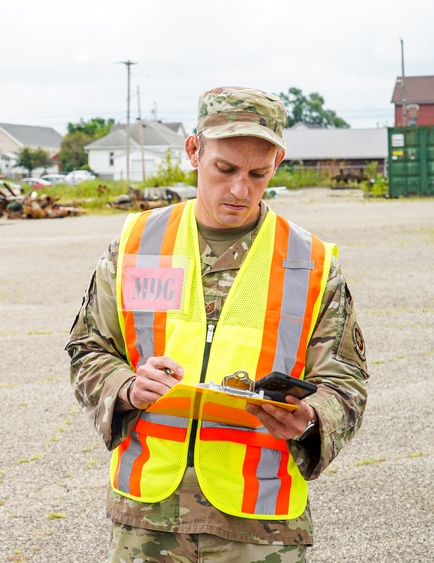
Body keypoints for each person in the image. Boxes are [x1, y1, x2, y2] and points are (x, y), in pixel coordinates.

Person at [66, 87, 368, 562]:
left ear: (279, 162)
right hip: (148, 518)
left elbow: (346, 380)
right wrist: (125, 386)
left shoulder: (309, 261)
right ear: (194, 151)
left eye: (258, 174)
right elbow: (88, 347)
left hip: (260, 527)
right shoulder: (137, 243)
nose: (239, 190)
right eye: (224, 169)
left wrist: (311, 418)